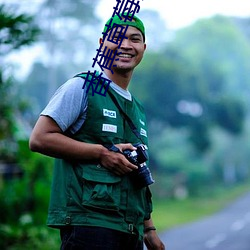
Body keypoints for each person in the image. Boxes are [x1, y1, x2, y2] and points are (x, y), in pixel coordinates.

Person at [29, 13, 165, 250]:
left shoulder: (137, 108)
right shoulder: (82, 86)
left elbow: (136, 170)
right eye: (117, 38)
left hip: (130, 229)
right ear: (102, 44)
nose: (125, 45)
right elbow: (40, 138)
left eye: (134, 39)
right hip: (89, 225)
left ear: (143, 48)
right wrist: (102, 153)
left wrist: (149, 228)